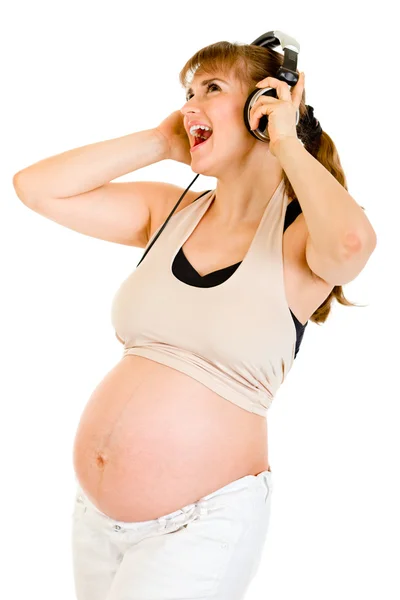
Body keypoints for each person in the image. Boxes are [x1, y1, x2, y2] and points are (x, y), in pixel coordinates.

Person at [13, 40, 376, 600]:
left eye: (212, 89)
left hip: (200, 525)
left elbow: (352, 242)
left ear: (263, 108)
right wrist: (162, 141)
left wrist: (286, 138)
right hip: (99, 522)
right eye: (187, 91)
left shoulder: (299, 237)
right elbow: (35, 188)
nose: (190, 105)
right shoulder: (169, 213)